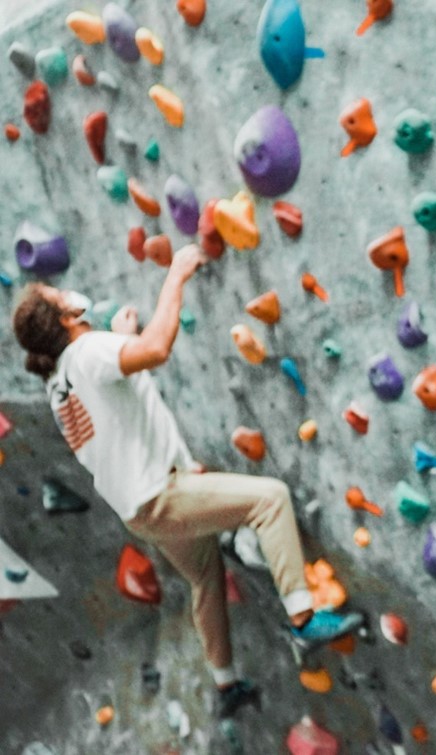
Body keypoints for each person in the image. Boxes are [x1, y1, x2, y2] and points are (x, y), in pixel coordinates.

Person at [11, 245, 363, 718]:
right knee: (271, 500)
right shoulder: (86, 353)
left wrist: (121, 337)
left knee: (206, 577)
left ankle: (226, 684)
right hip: (160, 496)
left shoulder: (62, 378)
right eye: (59, 295)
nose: (69, 293)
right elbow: (156, 349)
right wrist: (175, 274)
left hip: (141, 510)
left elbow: (126, 414)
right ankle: (303, 617)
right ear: (65, 315)